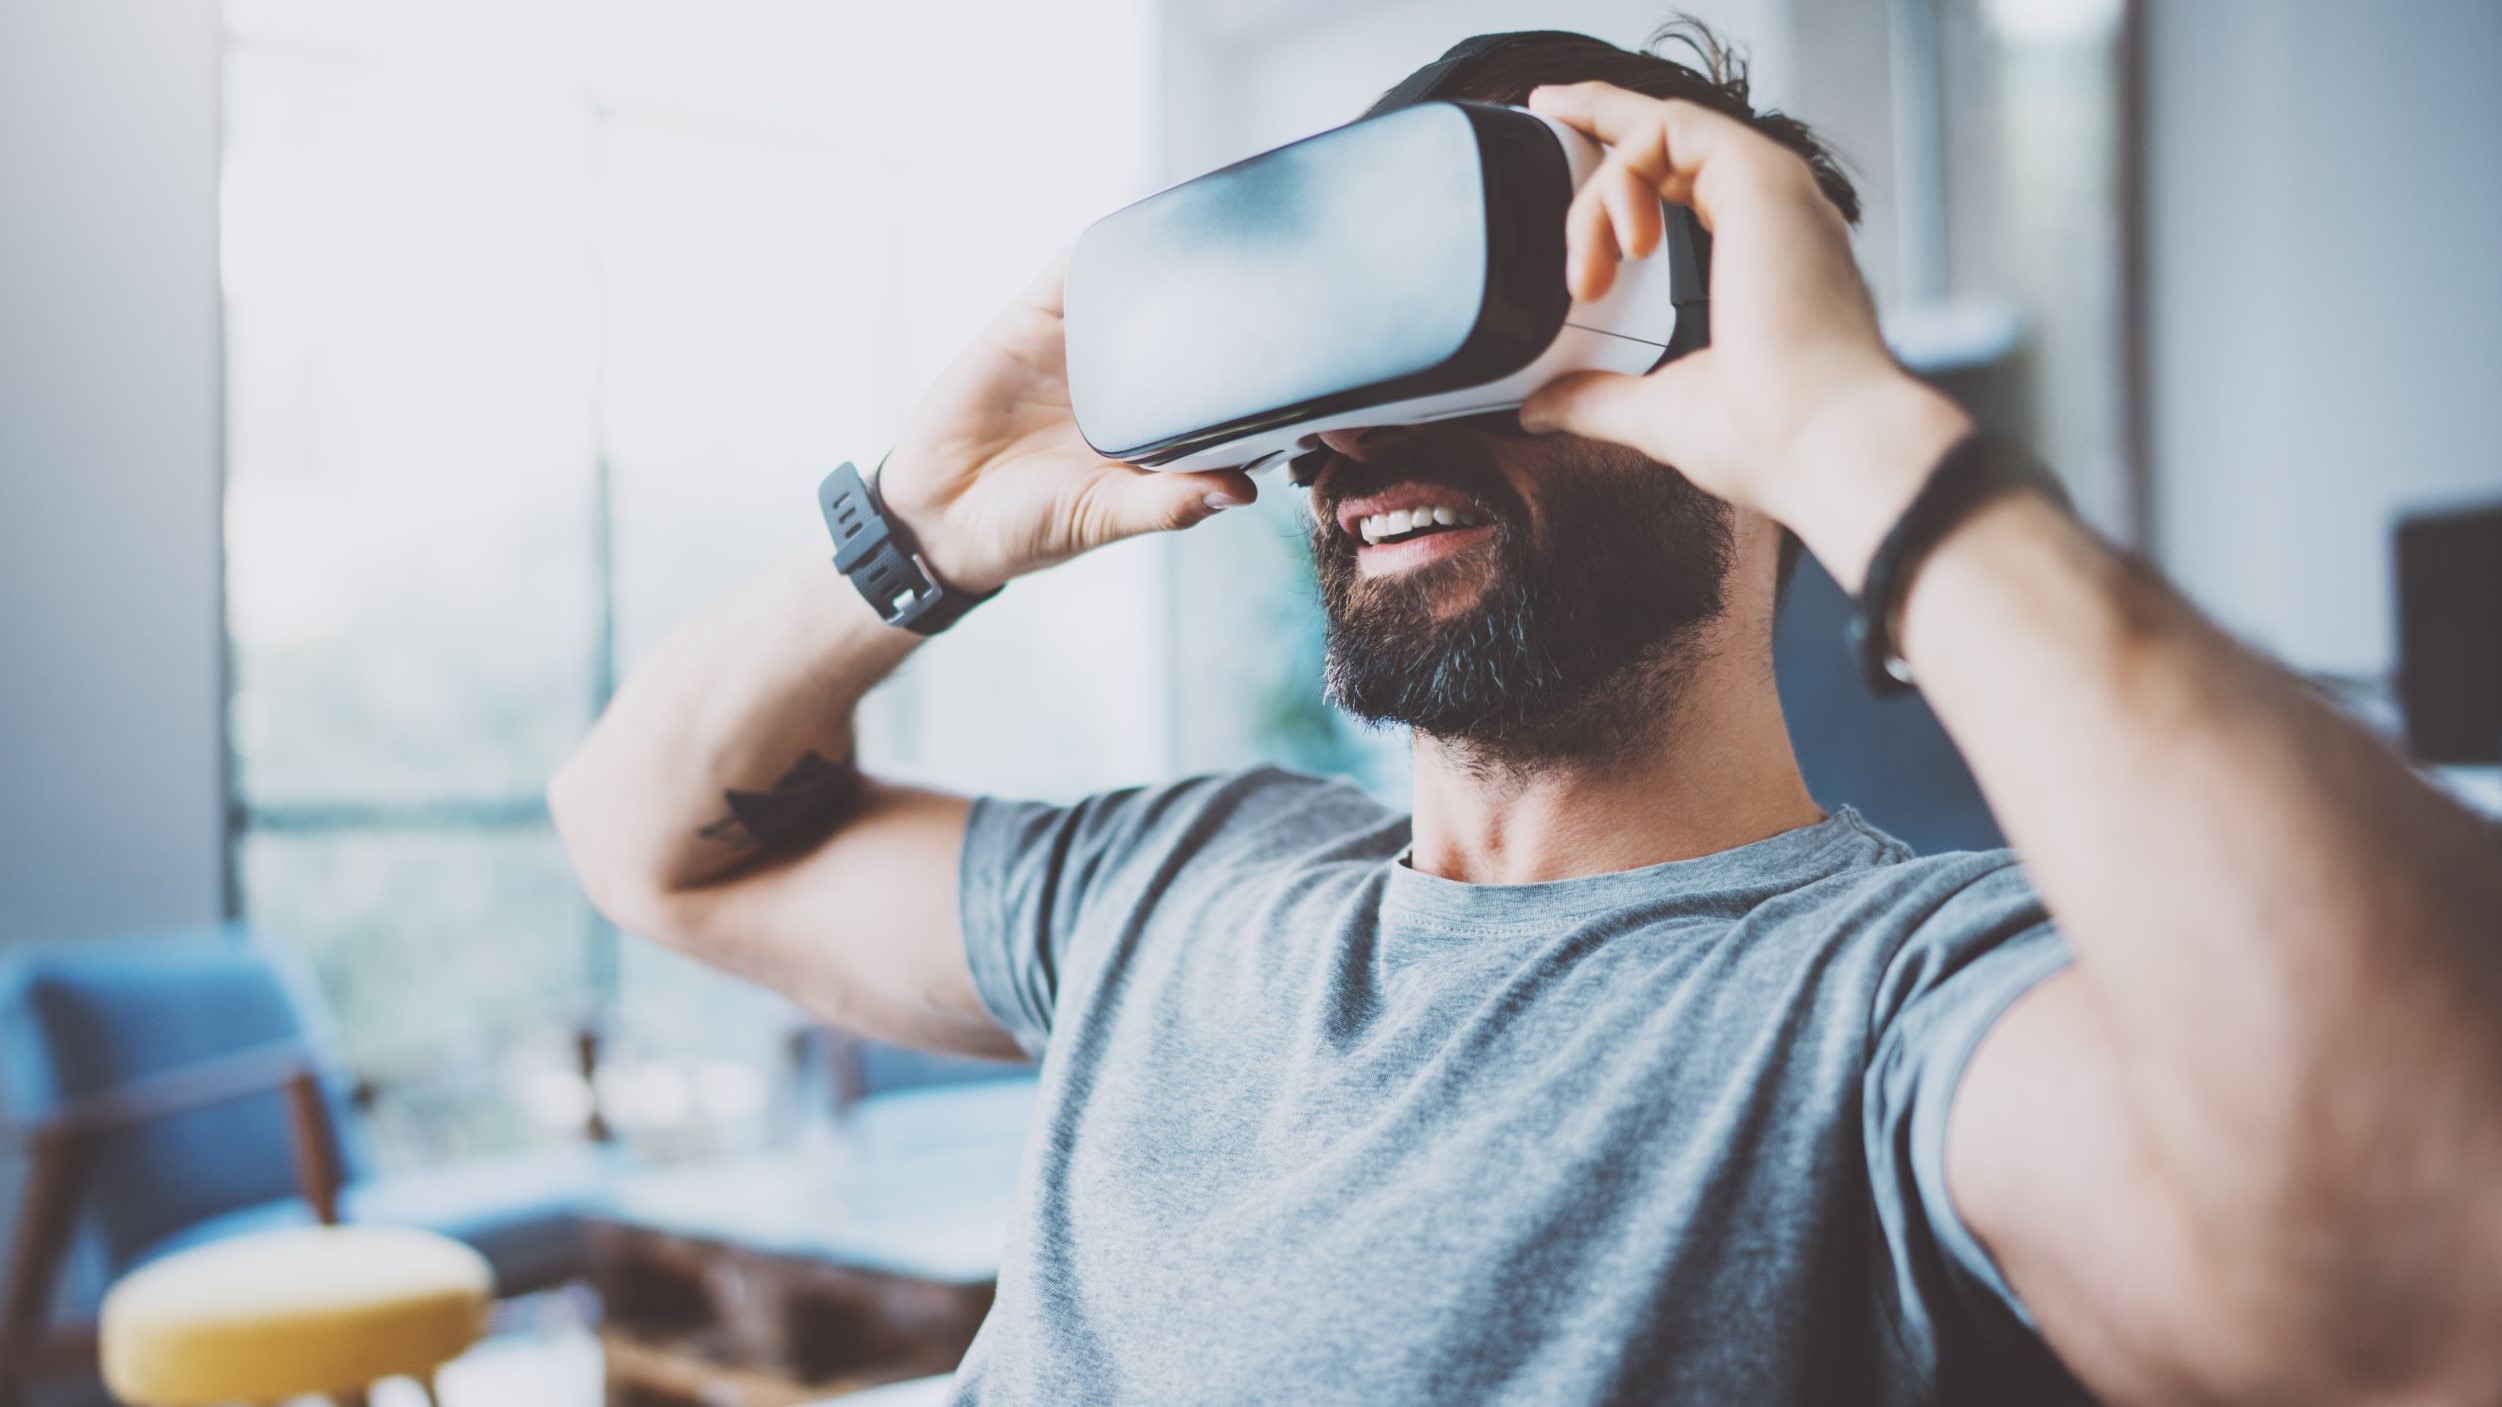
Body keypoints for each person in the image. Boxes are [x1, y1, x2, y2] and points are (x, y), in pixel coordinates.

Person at [548, 25, 2502, 1407]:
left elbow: (2433, 1274)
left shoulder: (1902, 1005)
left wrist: (1850, 433)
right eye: (1344, 344)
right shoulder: (1177, 874)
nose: (1363, 428)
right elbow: (649, 840)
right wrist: (911, 533)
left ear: (1714, 368)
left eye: (1499, 321)